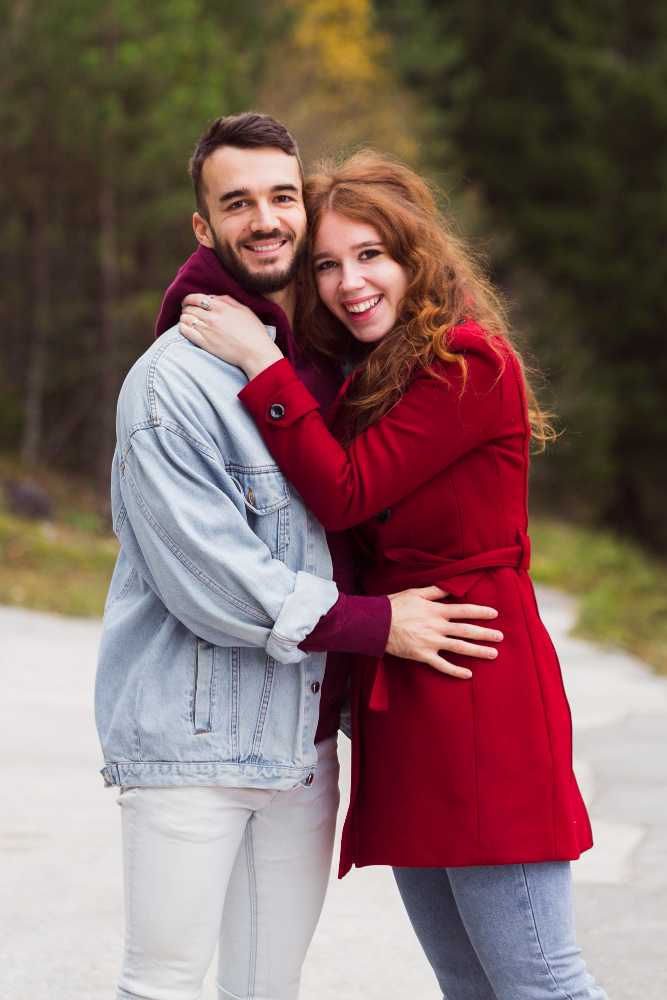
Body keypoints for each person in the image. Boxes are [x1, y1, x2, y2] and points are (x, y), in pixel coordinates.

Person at [179, 150, 610, 1000]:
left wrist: (258, 366)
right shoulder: (368, 378)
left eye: (370, 254)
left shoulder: (465, 363)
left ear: (416, 256)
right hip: (406, 686)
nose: (347, 282)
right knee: (468, 986)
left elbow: (342, 494)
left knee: (540, 984)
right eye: (328, 265)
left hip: (475, 678)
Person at [96, 116, 503, 1000]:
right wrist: (377, 626)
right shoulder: (170, 384)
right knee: (159, 984)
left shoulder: (313, 368)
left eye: (282, 197)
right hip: (194, 748)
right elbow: (210, 579)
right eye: (236, 203)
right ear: (204, 229)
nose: (265, 218)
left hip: (303, 749)